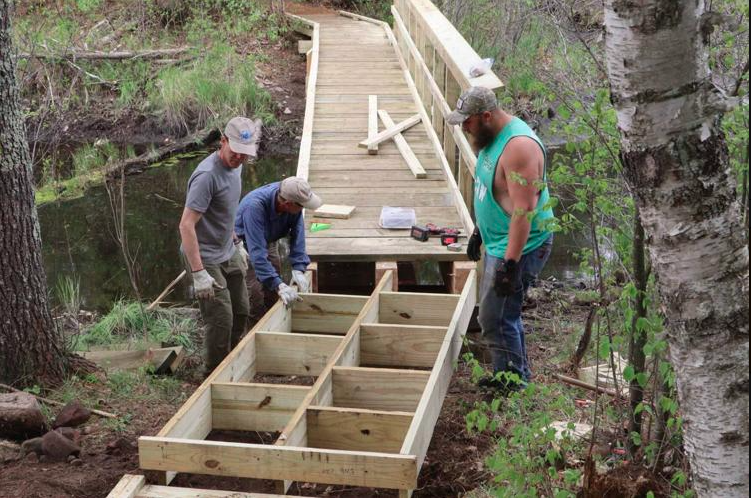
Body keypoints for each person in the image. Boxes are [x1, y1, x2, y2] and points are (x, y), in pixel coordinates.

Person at [447, 86, 554, 393]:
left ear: (486, 116)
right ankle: (511, 373)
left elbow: (524, 211)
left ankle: (512, 382)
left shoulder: (519, 148)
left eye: (467, 122)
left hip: (523, 245)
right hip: (497, 241)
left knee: (496, 316)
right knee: (500, 313)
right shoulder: (488, 137)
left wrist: (510, 264)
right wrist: (480, 230)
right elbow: (491, 190)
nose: (464, 128)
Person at [178, 116, 262, 376]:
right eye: (235, 152)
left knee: (242, 310)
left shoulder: (237, 165)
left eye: (245, 155)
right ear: (223, 141)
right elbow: (186, 225)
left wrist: (236, 242)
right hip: (205, 257)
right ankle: (212, 375)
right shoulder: (207, 176)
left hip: (227, 249)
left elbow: (225, 210)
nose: (240, 159)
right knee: (221, 318)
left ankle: (231, 362)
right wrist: (198, 272)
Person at [235, 176, 323, 325]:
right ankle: (252, 331)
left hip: (268, 239)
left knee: (273, 283)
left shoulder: (293, 198)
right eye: (301, 206)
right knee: (254, 293)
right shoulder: (254, 207)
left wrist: (298, 268)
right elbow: (257, 253)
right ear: (287, 204)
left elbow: (298, 234)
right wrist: (279, 284)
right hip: (245, 245)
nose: (303, 209)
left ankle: (274, 322)